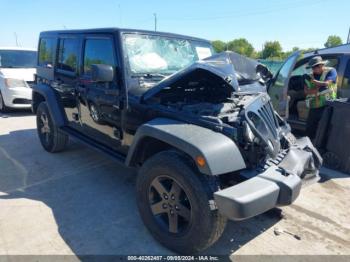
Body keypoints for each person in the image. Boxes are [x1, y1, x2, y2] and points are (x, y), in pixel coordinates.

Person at [304, 56, 337, 140]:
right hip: (315, 105)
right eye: (312, 68)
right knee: (310, 127)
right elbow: (306, 91)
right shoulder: (310, 75)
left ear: (321, 65)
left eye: (315, 67)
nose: (313, 70)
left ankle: (321, 149)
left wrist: (316, 83)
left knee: (324, 129)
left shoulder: (331, 71)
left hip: (328, 105)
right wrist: (316, 89)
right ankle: (309, 145)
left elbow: (327, 84)